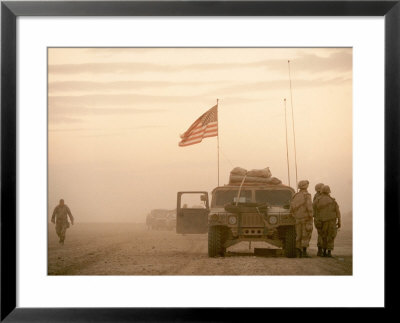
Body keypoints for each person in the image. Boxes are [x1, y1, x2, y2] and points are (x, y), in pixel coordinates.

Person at [313, 185, 341, 257]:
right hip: (331, 221)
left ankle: (321, 251)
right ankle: (328, 252)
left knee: (322, 235)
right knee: (330, 236)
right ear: (329, 191)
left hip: (320, 221)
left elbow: (313, 211)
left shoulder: (317, 200)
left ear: (321, 191)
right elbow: (338, 212)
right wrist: (339, 222)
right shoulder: (333, 200)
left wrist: (316, 219)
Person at [290, 180, 313, 258]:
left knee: (298, 235)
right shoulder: (307, 195)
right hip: (305, 218)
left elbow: (291, 208)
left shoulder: (295, 195)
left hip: (297, 218)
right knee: (305, 235)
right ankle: (304, 252)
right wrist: (311, 215)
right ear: (305, 186)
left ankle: (298, 252)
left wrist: (294, 215)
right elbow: (309, 207)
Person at [313, 183, 325, 256]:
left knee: (321, 234)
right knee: (322, 234)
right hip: (320, 218)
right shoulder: (319, 197)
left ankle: (321, 250)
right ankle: (321, 250)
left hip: (319, 218)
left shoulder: (316, 197)